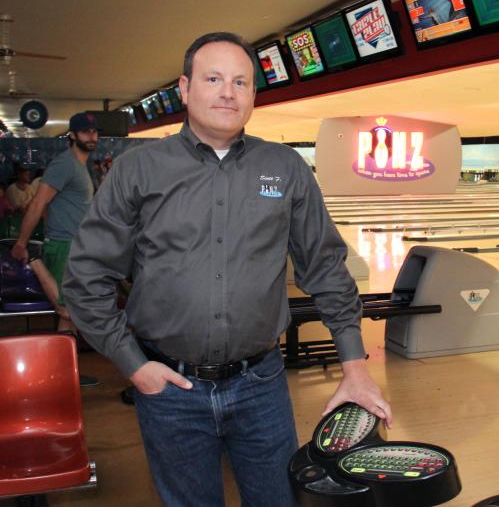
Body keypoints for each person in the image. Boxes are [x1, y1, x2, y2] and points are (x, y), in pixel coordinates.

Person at [62, 31, 392, 507]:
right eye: (213, 78)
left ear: (254, 95)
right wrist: (134, 366)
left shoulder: (286, 167)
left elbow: (324, 266)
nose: (227, 92)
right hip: (170, 390)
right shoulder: (140, 169)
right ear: (184, 87)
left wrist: (355, 366)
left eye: (241, 82)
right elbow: (86, 277)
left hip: (261, 386)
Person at [11, 112, 98, 386]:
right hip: (64, 247)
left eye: (94, 132)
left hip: (74, 246)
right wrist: (22, 244)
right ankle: (59, 373)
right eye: (85, 132)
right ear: (72, 135)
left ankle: (65, 372)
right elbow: (38, 203)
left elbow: (52, 207)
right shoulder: (65, 164)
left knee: (70, 316)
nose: (91, 137)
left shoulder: (81, 166)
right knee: (66, 312)